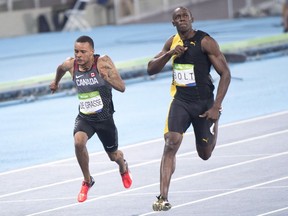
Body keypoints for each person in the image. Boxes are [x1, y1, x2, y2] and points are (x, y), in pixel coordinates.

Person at [147, 7, 231, 211]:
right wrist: (169, 53)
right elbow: (150, 69)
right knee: (171, 142)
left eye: (185, 16)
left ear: (192, 19)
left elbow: (225, 73)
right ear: (173, 23)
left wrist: (216, 106)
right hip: (181, 102)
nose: (182, 19)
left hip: (204, 105)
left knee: (205, 154)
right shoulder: (171, 42)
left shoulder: (205, 41)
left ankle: (214, 124)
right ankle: (163, 197)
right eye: (177, 17)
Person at [49, 35, 132, 203]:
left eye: (82, 52)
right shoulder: (71, 65)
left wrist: (106, 78)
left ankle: (123, 167)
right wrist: (55, 82)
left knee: (113, 155)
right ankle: (87, 180)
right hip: (85, 117)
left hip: (104, 118)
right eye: (76, 51)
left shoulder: (103, 62)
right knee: (78, 142)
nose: (78, 55)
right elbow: (60, 68)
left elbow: (122, 88)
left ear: (92, 52)